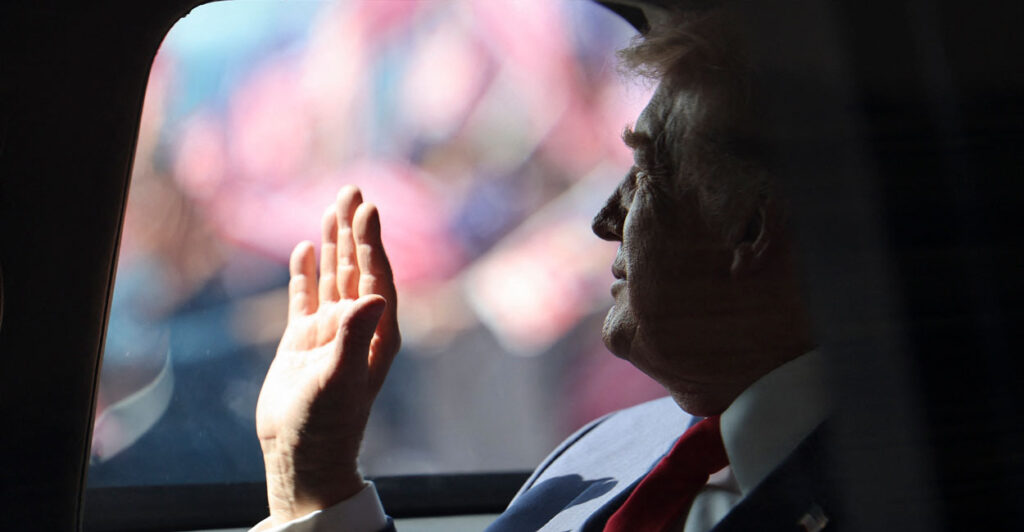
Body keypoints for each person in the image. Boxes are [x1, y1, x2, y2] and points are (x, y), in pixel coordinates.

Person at [254, 4, 837, 531]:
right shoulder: (599, 454)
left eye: (648, 175)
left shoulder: (879, 485)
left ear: (750, 229)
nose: (606, 220)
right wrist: (313, 484)